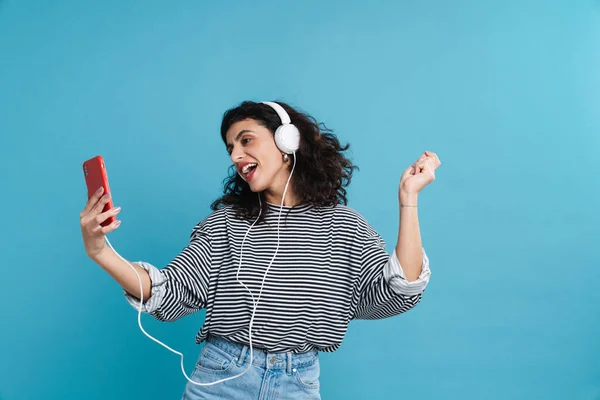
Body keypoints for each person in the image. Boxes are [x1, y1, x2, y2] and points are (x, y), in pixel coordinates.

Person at [79, 100, 441, 400]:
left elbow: (400, 289)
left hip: (298, 383)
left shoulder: (344, 226)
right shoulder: (226, 223)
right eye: (231, 148)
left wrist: (408, 199)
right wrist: (101, 252)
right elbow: (171, 292)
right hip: (222, 377)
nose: (236, 155)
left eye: (246, 140)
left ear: (287, 141)